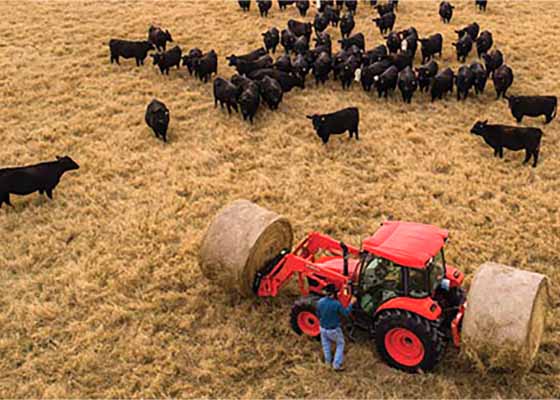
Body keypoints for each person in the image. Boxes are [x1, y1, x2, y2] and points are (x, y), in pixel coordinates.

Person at [316, 283, 356, 371]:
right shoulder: (336, 304)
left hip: (322, 328)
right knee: (340, 344)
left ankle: (327, 363)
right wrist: (351, 303)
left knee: (326, 345)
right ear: (333, 294)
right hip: (333, 329)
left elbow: (318, 315)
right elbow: (346, 313)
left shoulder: (320, 302)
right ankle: (336, 365)